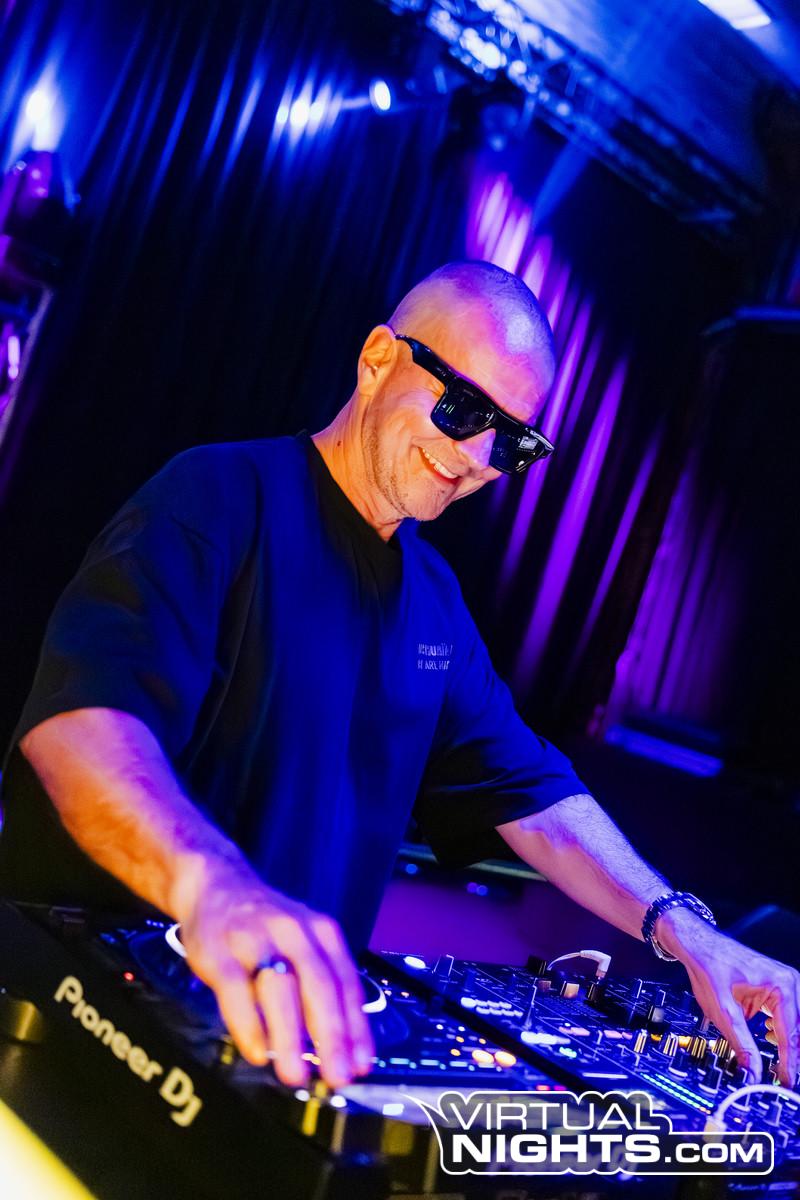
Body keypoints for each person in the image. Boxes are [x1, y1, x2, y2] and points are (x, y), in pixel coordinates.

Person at [1, 262, 797, 1098]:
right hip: (73, 1017)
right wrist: (216, 887)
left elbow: (537, 801)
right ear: (378, 359)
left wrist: (689, 933)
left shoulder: (435, 604)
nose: (477, 458)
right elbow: (80, 730)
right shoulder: (216, 500)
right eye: (463, 410)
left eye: (512, 442)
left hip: (269, 1053)